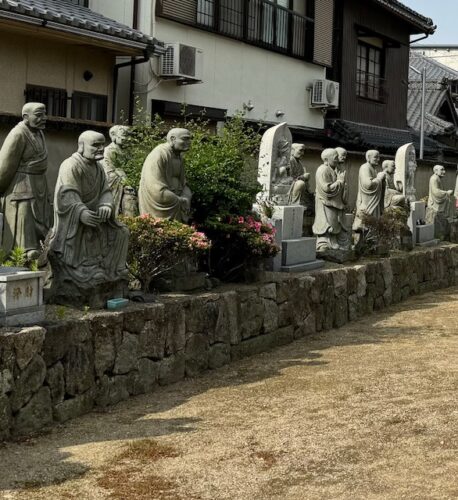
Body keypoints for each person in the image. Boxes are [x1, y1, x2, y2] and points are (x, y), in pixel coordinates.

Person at [49, 131, 129, 289]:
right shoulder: (70, 165)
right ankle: (83, 270)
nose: (100, 148)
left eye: (102, 144)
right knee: (86, 232)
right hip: (76, 219)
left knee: (122, 232)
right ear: (81, 146)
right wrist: (81, 212)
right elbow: (67, 194)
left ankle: (113, 270)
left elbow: (105, 192)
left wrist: (106, 205)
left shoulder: (99, 168)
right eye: (95, 145)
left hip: (97, 217)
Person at [0, 102, 52, 258]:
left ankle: (39, 252)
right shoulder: (18, 134)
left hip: (40, 185)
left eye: (44, 114)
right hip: (21, 186)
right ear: (25, 117)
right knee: (24, 217)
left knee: (41, 225)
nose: (44, 118)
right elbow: (5, 165)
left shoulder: (39, 133)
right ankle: (22, 255)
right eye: (39, 115)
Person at [138, 128, 192, 222]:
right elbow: (155, 188)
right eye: (185, 139)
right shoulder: (158, 155)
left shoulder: (180, 157)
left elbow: (183, 183)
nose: (189, 142)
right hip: (162, 203)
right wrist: (178, 200)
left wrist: (186, 196)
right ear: (172, 139)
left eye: (189, 139)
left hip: (177, 198)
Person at [312, 148, 350, 251]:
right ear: (326, 159)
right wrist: (340, 182)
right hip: (326, 203)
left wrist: (342, 183)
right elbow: (326, 188)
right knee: (328, 223)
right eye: (335, 158)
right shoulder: (322, 170)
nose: (337, 160)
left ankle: (335, 242)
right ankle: (324, 243)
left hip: (335, 203)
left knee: (336, 223)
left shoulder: (334, 170)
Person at [103, 125, 137, 216]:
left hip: (126, 180)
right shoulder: (109, 150)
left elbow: (132, 168)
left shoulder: (128, 152)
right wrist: (124, 179)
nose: (127, 139)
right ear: (114, 136)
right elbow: (109, 169)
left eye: (128, 136)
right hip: (115, 180)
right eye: (123, 136)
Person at [353, 150, 385, 232]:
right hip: (368, 202)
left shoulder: (374, 169)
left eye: (379, 157)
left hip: (373, 201)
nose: (378, 159)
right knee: (367, 224)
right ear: (368, 158)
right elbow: (368, 184)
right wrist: (379, 178)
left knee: (373, 226)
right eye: (375, 157)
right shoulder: (365, 167)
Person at [287, 143, 313, 213]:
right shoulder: (290, 160)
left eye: (303, 151)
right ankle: (294, 202)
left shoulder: (300, 163)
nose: (302, 153)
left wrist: (305, 178)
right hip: (290, 186)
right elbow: (289, 178)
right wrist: (303, 177)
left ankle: (306, 204)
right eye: (300, 150)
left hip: (299, 185)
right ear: (292, 150)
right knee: (300, 184)